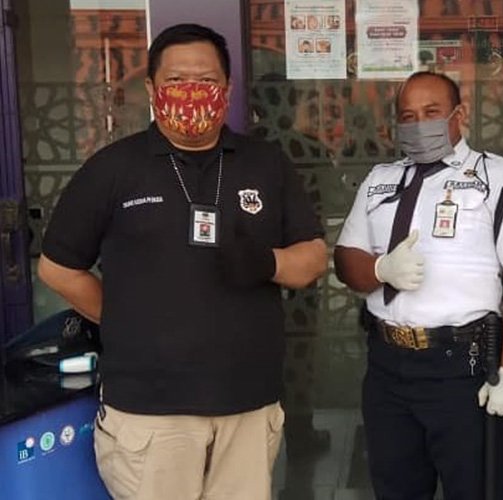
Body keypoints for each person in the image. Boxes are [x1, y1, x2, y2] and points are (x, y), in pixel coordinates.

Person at [37, 23, 326, 500]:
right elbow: (57, 268)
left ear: (227, 89)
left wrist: (267, 262)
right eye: (176, 80)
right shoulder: (112, 168)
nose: (192, 92)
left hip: (247, 406)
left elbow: (312, 258)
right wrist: (124, 318)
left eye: (206, 80)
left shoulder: (266, 163)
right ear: (152, 89)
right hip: (150, 412)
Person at [334, 71, 503, 499]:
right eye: (408, 116)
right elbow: (345, 260)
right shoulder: (379, 180)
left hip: (461, 366)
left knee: (475, 489)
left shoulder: (498, 178)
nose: (419, 124)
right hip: (387, 366)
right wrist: (380, 269)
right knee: (395, 488)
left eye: (431, 112)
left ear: (459, 115)